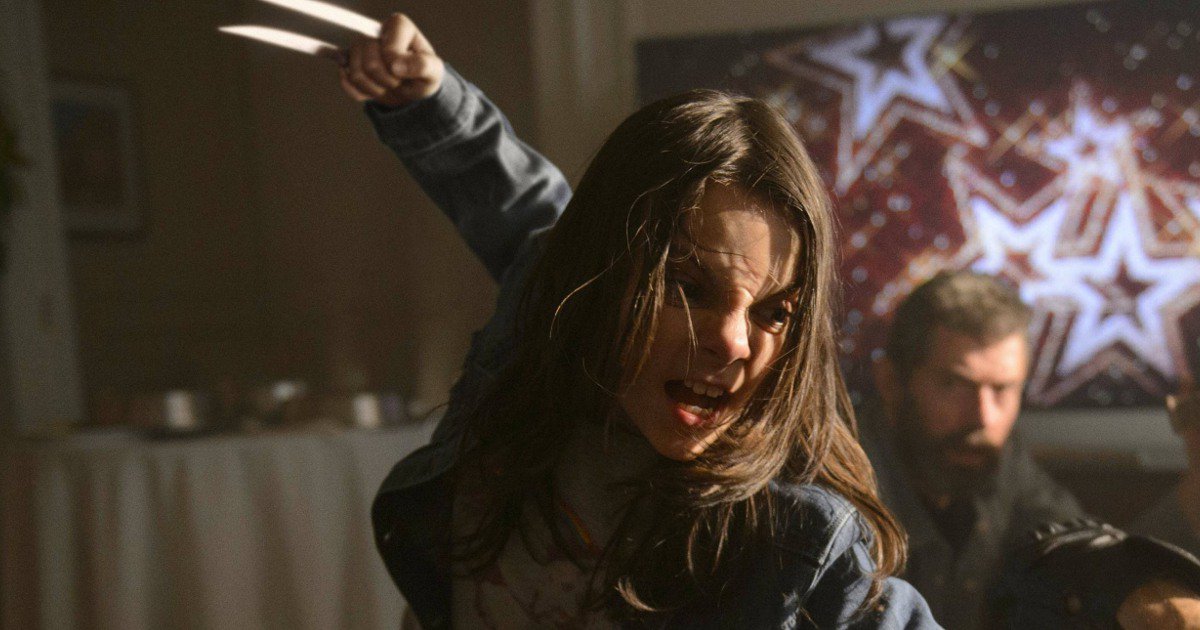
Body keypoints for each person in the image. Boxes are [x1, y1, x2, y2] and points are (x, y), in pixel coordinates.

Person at [341, 13, 939, 629]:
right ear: (599, 279)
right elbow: (526, 210)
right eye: (688, 288)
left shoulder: (794, 541)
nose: (732, 342)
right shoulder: (545, 322)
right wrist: (429, 102)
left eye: (774, 312)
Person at [865, 270, 1200, 629]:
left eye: (1002, 390)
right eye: (954, 385)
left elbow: (1066, 538)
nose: (983, 417)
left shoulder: (1002, 465)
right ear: (890, 382)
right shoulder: (842, 479)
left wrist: (1137, 589)